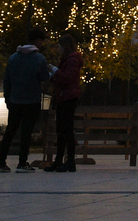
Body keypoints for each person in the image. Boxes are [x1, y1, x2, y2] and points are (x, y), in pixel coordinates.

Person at [0, 28, 52, 173]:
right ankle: (22, 163)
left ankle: (1, 162)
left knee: (10, 131)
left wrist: (8, 99)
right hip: (32, 100)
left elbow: (7, 80)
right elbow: (45, 78)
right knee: (26, 132)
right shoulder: (39, 59)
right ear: (38, 40)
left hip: (15, 100)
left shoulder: (13, 58)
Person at [45, 33, 84, 173]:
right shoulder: (68, 60)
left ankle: (69, 161)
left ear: (65, 46)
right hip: (64, 97)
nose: (57, 49)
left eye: (59, 46)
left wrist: (55, 70)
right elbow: (63, 78)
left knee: (66, 129)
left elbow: (67, 78)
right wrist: (52, 76)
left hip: (68, 97)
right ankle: (60, 160)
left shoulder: (72, 60)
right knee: (61, 130)